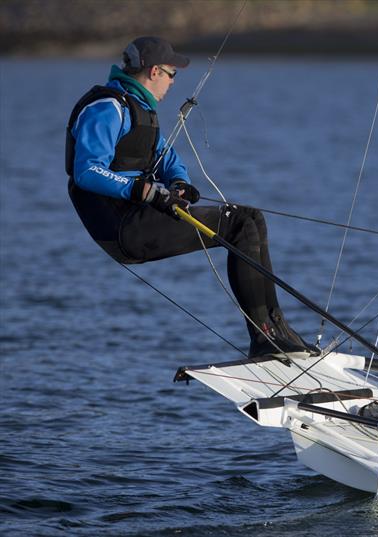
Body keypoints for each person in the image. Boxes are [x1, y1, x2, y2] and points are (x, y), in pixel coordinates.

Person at [65, 36, 316, 357]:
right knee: (237, 224)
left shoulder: (139, 108)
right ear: (154, 71)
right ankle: (263, 336)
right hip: (123, 227)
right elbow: (86, 171)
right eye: (172, 74)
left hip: (138, 216)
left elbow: (165, 155)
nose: (172, 82)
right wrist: (139, 189)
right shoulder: (107, 108)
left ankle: (276, 328)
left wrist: (179, 180)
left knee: (250, 217)